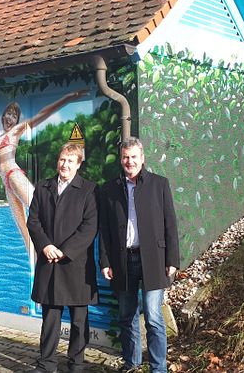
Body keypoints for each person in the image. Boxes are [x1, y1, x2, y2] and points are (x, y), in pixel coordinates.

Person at [0, 89, 87, 254]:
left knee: (39, 209)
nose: (10, 118)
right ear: (3, 116)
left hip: (14, 175)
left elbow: (42, 114)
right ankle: (37, 266)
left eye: (14, 116)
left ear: (16, 121)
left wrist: (68, 97)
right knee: (24, 231)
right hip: (7, 185)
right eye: (8, 114)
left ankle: (61, 242)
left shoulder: (16, 132)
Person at [98, 137, 180, 373]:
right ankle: (132, 362)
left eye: (134, 157)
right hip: (123, 260)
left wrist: (172, 260)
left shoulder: (159, 184)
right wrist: (105, 261)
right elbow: (104, 229)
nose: (129, 161)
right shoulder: (110, 189)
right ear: (121, 159)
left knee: (154, 317)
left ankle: (158, 368)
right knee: (127, 316)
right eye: (125, 157)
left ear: (142, 159)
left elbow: (170, 224)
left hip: (154, 259)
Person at [26, 143, 98, 373]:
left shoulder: (89, 190)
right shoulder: (43, 188)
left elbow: (89, 227)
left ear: (78, 164)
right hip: (49, 264)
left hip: (76, 265)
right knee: (50, 320)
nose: (64, 164)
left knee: (78, 321)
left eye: (70, 161)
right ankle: (46, 364)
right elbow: (33, 221)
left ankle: (76, 364)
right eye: (62, 159)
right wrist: (45, 246)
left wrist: (65, 251)